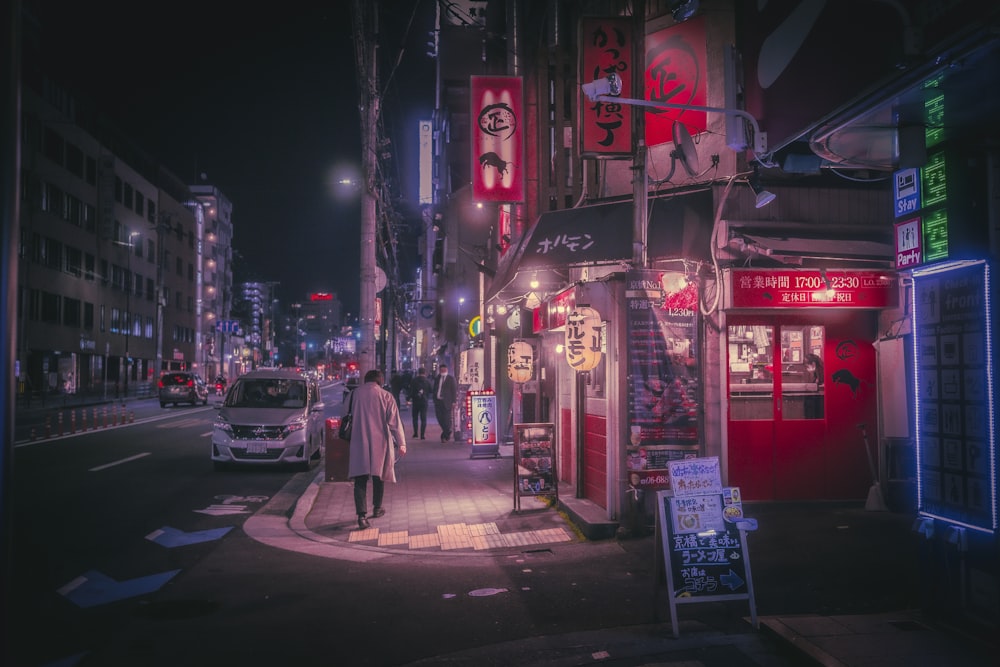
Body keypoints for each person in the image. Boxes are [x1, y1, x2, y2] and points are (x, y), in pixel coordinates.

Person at [347, 369, 407, 529]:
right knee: (378, 475)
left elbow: (344, 415)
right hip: (380, 441)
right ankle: (377, 508)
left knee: (360, 479)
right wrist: (402, 443)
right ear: (379, 380)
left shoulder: (354, 394)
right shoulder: (386, 396)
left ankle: (361, 516)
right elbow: (395, 422)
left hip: (359, 440)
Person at [432, 364, 458, 442]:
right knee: (439, 418)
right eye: (441, 370)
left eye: (444, 370)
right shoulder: (437, 378)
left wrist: (454, 401)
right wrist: (434, 398)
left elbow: (454, 390)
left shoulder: (451, 379)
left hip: (447, 401)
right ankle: (447, 431)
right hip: (438, 401)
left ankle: (445, 435)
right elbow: (435, 388)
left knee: (447, 418)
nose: (443, 371)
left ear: (447, 370)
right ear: (439, 370)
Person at [408, 367, 432, 439]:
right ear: (425, 373)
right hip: (424, 401)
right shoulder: (427, 381)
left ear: (418, 372)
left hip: (416, 401)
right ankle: (422, 435)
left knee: (415, 418)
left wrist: (409, 399)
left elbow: (411, 391)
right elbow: (431, 390)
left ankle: (415, 433)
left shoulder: (414, 381)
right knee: (423, 418)